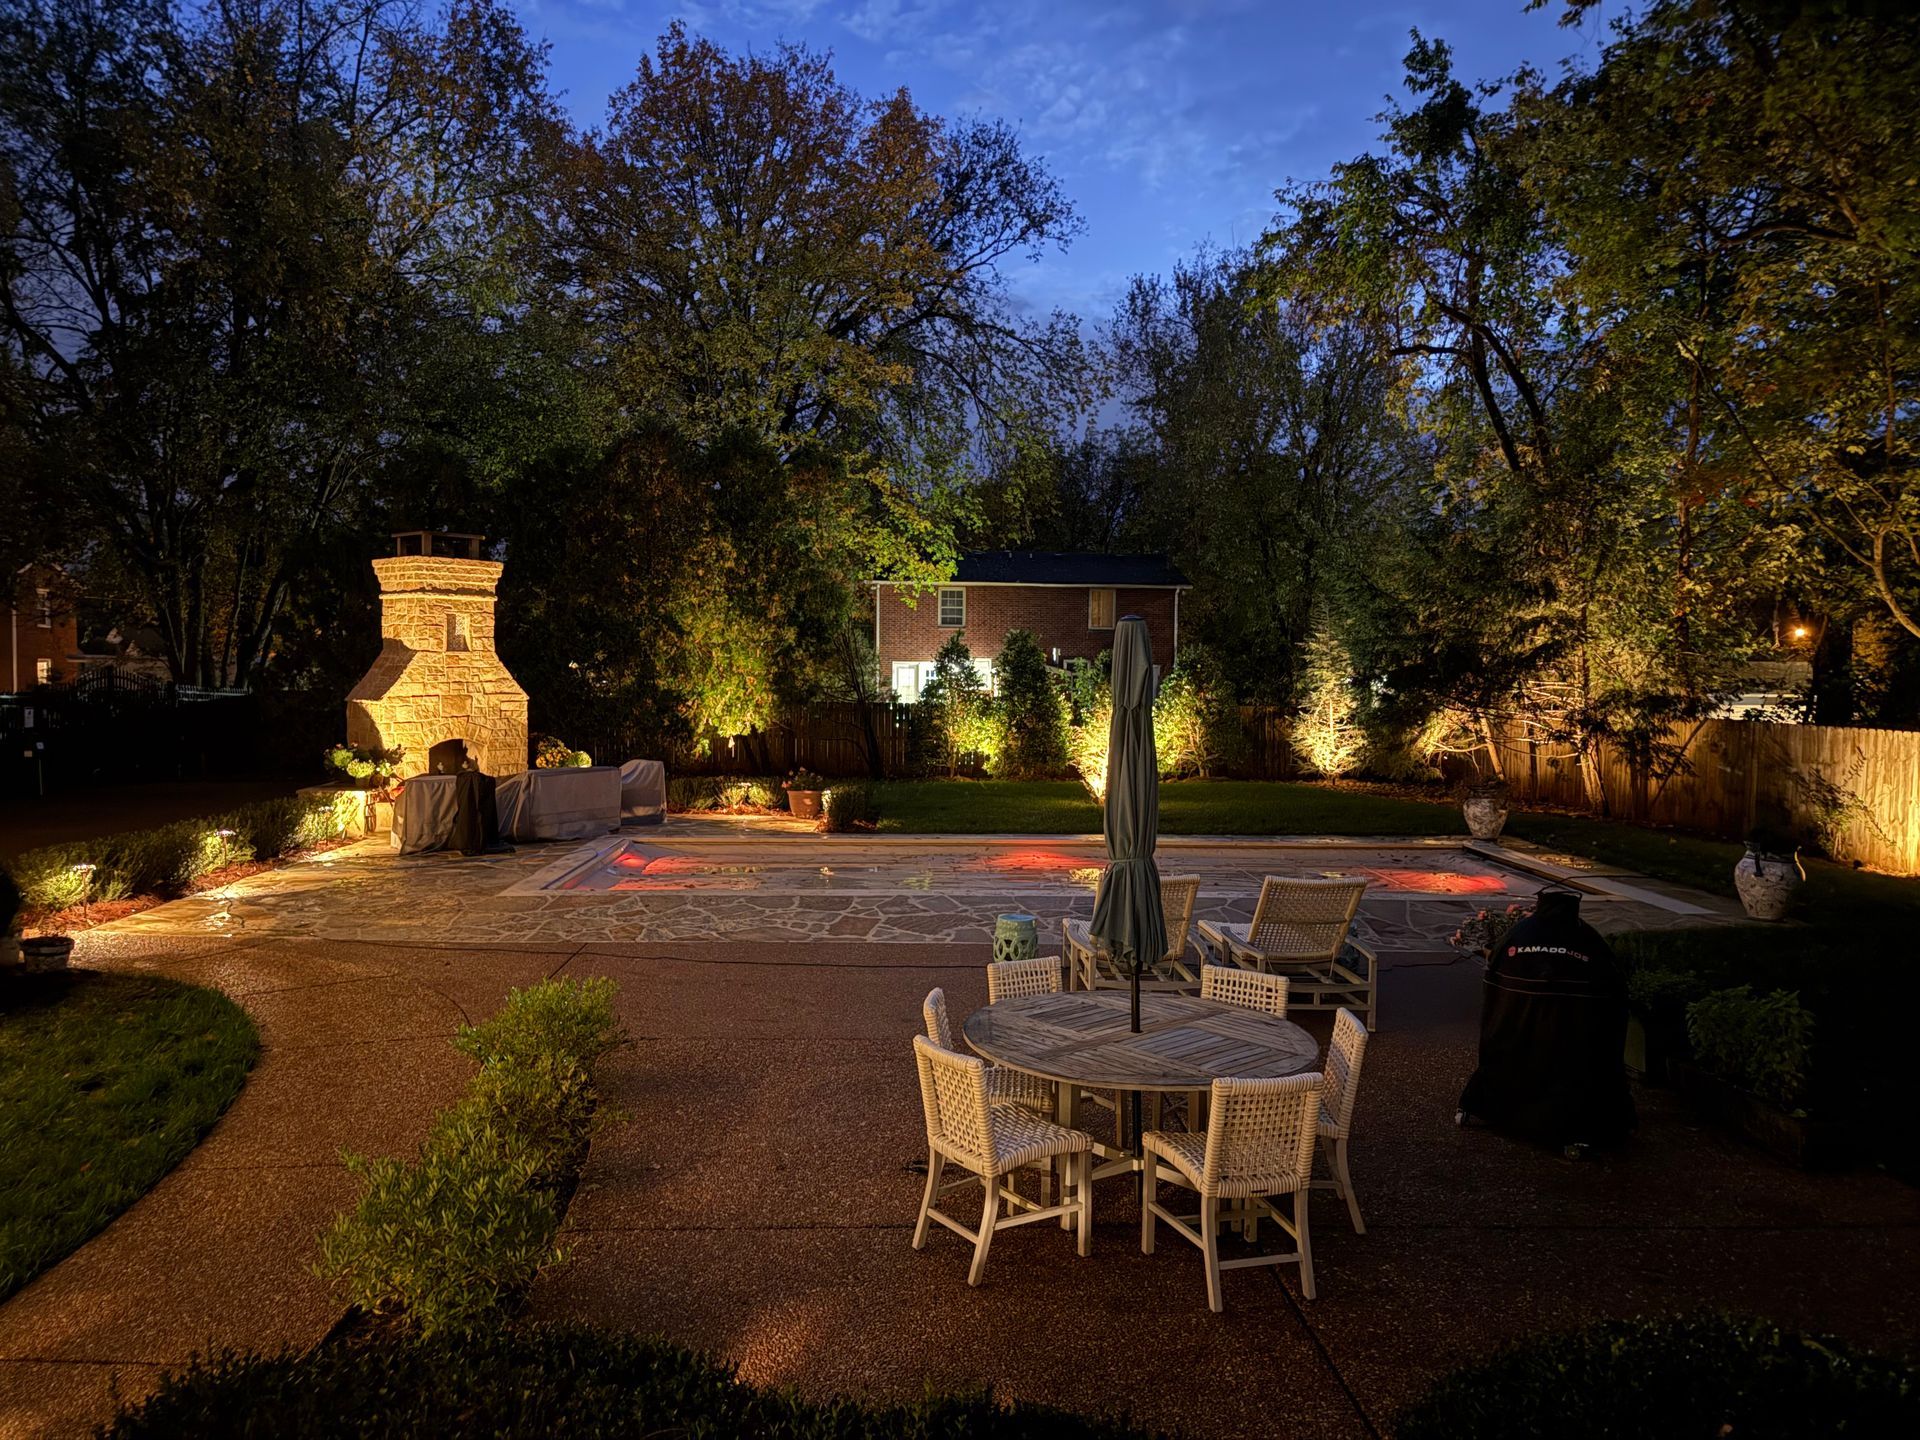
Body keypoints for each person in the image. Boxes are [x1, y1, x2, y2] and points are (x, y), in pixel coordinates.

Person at [1457, 886, 1635, 1156]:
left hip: (1511, 1049)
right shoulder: (1588, 941)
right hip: (1569, 1058)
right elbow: (1615, 993)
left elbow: (1492, 985)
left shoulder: (1517, 935)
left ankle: (1493, 1106)